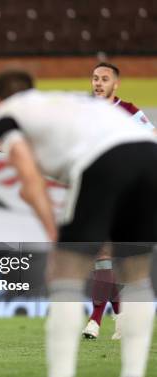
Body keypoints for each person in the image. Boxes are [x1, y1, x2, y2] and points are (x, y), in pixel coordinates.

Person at [0, 70, 156, 377]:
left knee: (65, 273)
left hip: (103, 160)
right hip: (150, 156)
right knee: (136, 273)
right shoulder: (70, 101)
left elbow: (29, 178)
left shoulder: (7, 113)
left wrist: (55, 235)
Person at [83, 62, 157, 341]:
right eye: (94, 78)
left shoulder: (128, 111)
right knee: (101, 258)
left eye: (104, 79)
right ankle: (119, 317)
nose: (98, 83)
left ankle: (95, 320)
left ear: (116, 84)